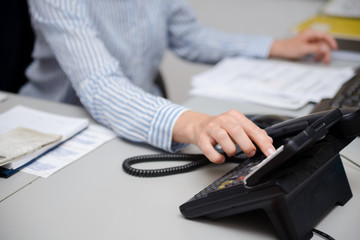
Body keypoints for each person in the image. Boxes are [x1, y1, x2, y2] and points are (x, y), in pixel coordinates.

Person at [21, 0, 338, 164]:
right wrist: (198, 125)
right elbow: (100, 86)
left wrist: (276, 46)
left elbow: (189, 37)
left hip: (136, 119)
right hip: (57, 125)